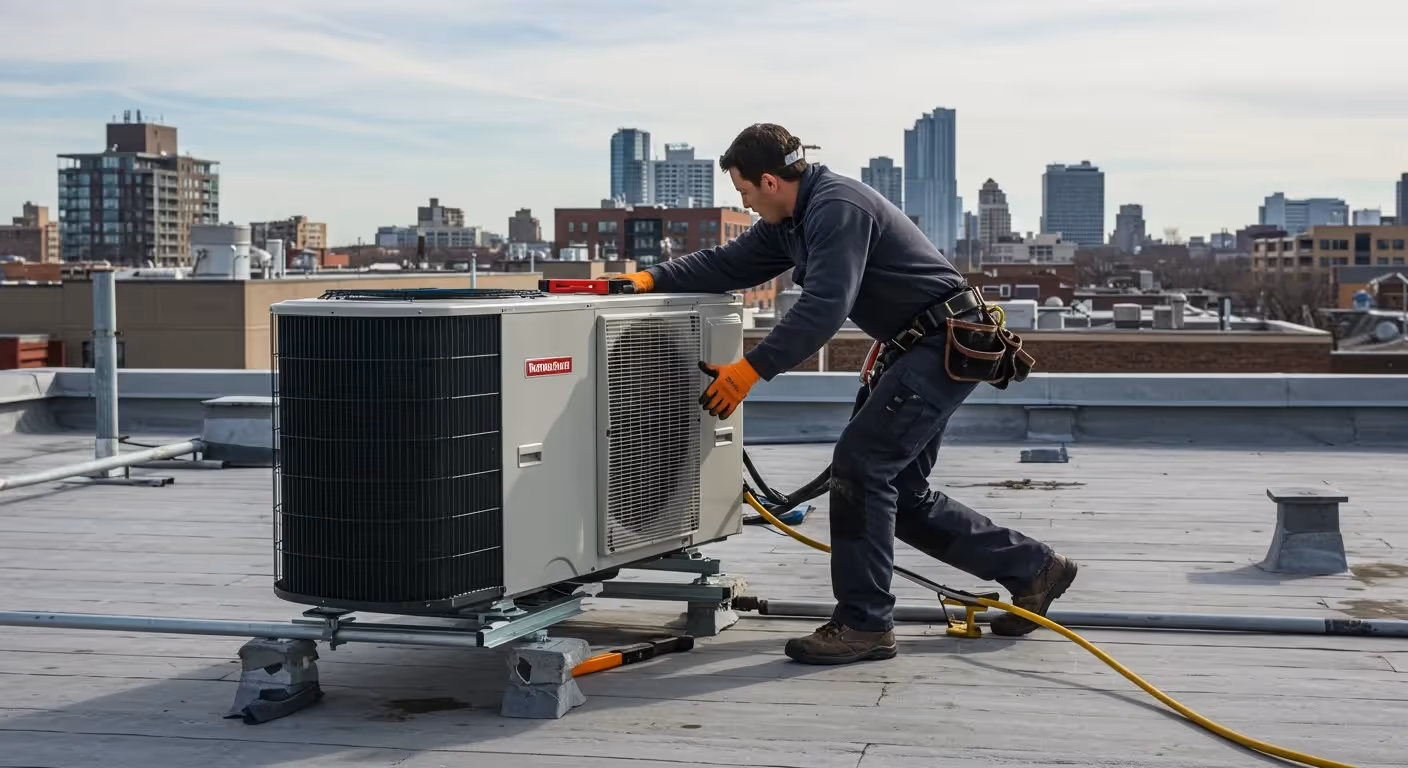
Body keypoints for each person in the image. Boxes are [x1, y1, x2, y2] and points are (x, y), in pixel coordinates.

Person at [615, 123, 1078, 666]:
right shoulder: (791, 219)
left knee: (862, 467)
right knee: (899, 491)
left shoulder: (836, 208)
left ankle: (864, 624)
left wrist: (750, 371)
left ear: (769, 181)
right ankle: (1034, 569)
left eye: (743, 191)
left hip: (940, 345)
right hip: (916, 347)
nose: (742, 201)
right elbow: (728, 264)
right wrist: (645, 282)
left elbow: (825, 306)